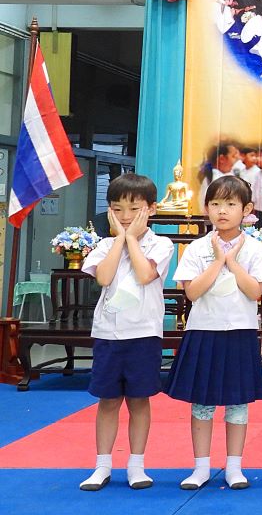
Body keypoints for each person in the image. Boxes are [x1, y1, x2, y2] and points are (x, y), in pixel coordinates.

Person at [166, 176, 262, 490]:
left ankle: (234, 468)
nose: (222, 211)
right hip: (204, 331)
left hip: (239, 332)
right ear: (206, 208)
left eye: (230, 204)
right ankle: (200, 468)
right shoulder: (197, 247)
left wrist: (233, 261)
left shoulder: (255, 248)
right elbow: (192, 292)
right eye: (215, 204)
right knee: (202, 402)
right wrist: (217, 260)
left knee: (237, 403)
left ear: (246, 209)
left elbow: (255, 291)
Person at [79, 174, 175, 492]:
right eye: (117, 209)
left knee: (138, 400)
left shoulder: (161, 244)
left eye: (134, 209)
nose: (125, 216)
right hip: (108, 333)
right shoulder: (105, 245)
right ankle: (102, 465)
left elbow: (146, 274)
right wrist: (120, 239)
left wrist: (132, 239)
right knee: (108, 400)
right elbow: (104, 278)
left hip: (144, 333)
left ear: (152, 209)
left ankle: (136, 465)